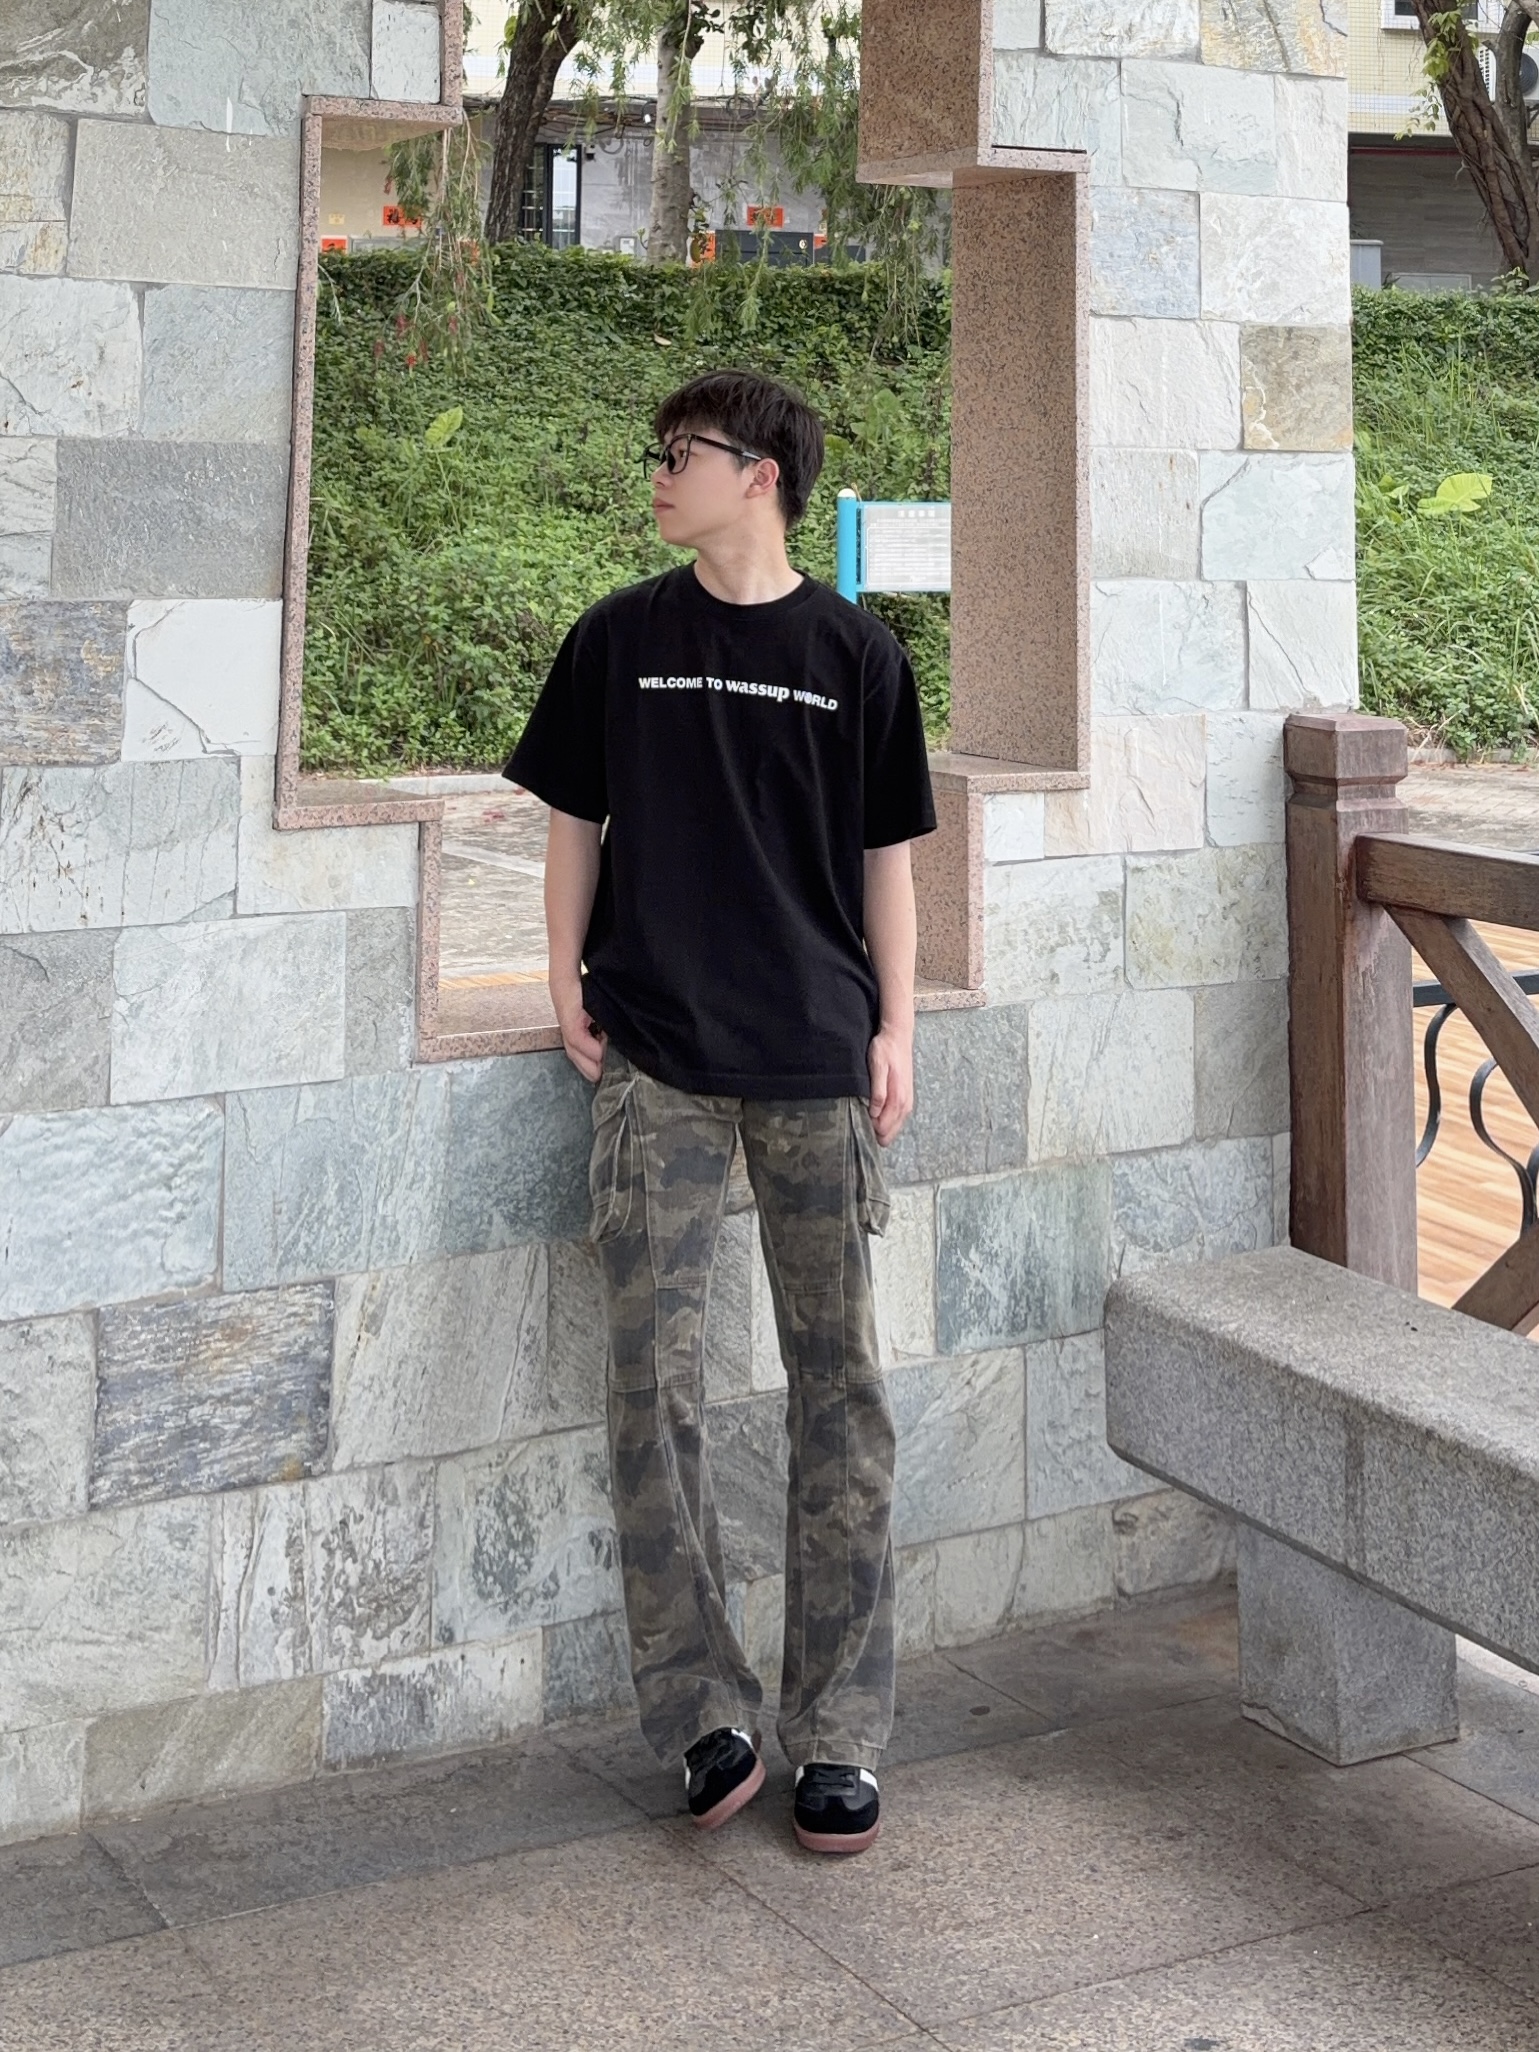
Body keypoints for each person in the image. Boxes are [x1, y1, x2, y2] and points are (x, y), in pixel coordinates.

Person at [505, 369, 935, 1856]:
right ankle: (701, 1709)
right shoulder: (619, 638)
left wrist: (896, 1025)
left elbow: (887, 861)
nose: (657, 472)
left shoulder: (857, 655)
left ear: (761, 475)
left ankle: (842, 1730)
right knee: (653, 1390)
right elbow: (574, 822)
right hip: (659, 1057)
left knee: (843, 1392)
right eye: (658, 450)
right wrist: (561, 975)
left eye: (679, 452)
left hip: (814, 1057)